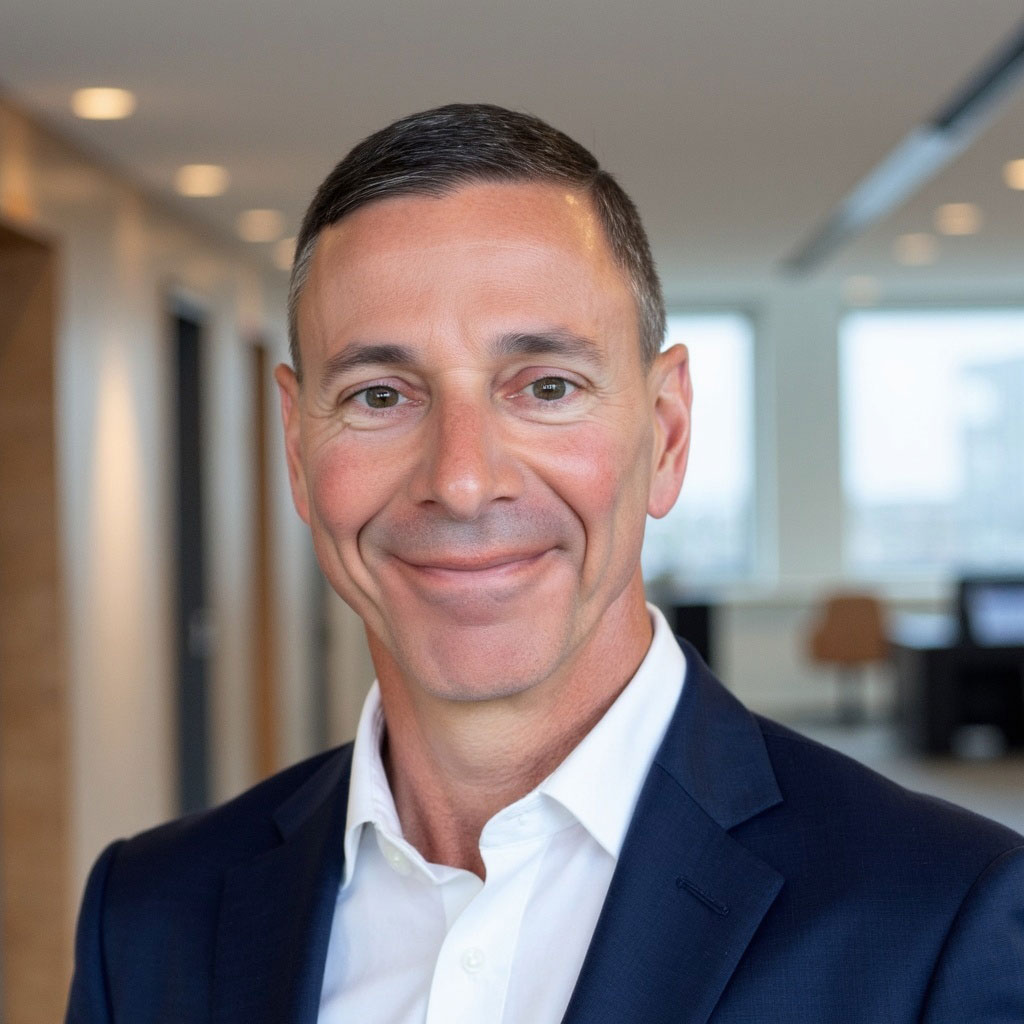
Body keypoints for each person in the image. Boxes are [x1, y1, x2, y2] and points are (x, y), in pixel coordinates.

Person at [67, 104, 1024, 1024]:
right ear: (296, 446)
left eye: (548, 386)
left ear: (667, 431)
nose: (464, 480)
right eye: (380, 395)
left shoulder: (941, 918)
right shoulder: (147, 919)